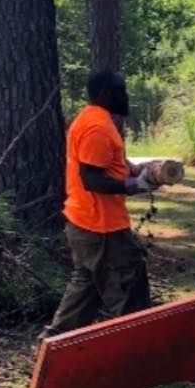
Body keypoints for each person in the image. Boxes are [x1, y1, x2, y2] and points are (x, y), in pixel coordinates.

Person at [44, 68, 162, 337]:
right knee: (130, 290)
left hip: (87, 225)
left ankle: (55, 345)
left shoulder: (96, 120)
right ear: (105, 93)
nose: (126, 96)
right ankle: (136, 357)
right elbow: (92, 179)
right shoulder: (97, 127)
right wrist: (134, 185)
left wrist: (140, 171)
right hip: (101, 228)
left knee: (84, 294)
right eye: (121, 90)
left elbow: (109, 165)